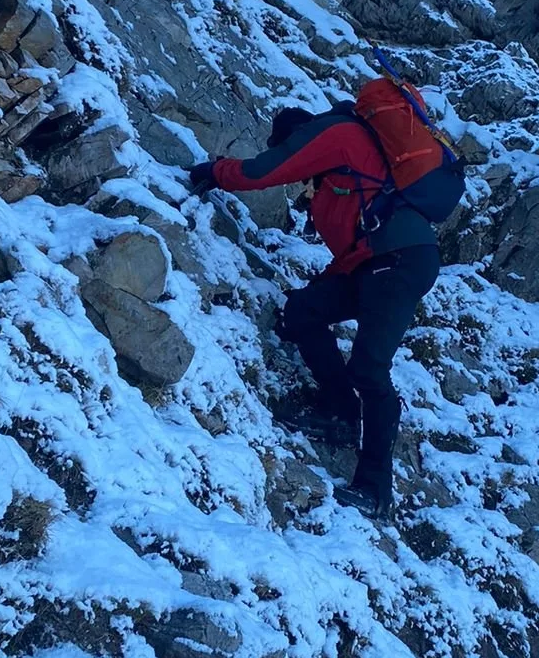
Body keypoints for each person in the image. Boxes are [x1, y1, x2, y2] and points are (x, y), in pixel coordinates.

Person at [188, 103, 442, 518]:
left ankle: (375, 488)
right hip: (374, 264)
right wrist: (323, 285)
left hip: (401, 261)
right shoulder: (337, 183)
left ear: (298, 136)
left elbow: (261, 172)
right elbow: (355, 247)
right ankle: (341, 414)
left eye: (290, 146)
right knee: (304, 310)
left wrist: (212, 172)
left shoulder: (335, 135)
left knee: (370, 369)